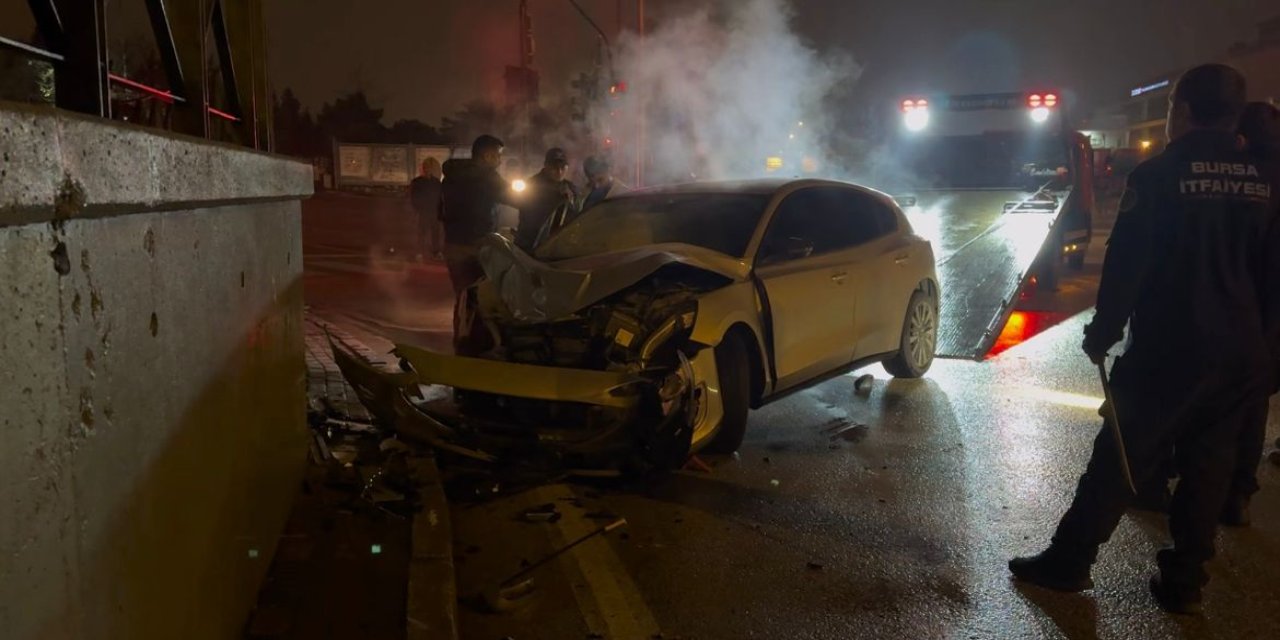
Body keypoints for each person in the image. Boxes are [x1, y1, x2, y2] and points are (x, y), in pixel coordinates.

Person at [1009, 65, 1279, 615]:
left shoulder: (1159, 176)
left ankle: (1069, 562)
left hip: (1169, 350)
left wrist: (1102, 332)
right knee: (1210, 467)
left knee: (1119, 455)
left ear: (1183, 111)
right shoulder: (1267, 182)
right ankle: (1185, 582)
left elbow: (1127, 265)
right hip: (1241, 352)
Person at [1131, 101, 1280, 525]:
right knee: (1238, 424)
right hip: (1255, 333)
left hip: (1198, 325)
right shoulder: (1264, 185)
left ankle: (1157, 488)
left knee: (1173, 415)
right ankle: (1230, 503)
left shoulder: (1193, 176)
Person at [440, 135, 513, 299]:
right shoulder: (488, 178)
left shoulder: (452, 175)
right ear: (487, 156)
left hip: (453, 246)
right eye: (498, 155)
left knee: (462, 295)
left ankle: (461, 314)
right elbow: (517, 199)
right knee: (482, 297)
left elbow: (440, 209)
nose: (500, 161)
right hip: (479, 248)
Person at [514, 147, 579, 251]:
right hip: (531, 243)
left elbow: (575, 214)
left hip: (557, 244)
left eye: (563, 167)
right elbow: (529, 216)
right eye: (554, 167)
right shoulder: (532, 185)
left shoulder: (570, 188)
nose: (559, 171)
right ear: (546, 166)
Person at [408, 157, 443, 261]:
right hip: (426, 211)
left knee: (432, 233)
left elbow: (440, 198)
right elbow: (414, 197)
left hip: (431, 211)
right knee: (424, 233)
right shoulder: (421, 182)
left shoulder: (434, 182)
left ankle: (432, 252)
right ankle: (422, 252)